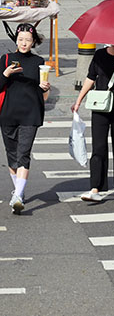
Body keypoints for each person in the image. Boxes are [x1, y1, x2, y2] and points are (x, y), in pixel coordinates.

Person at [1, 24, 50, 214]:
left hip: (31, 113)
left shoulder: (38, 61)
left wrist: (45, 87)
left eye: (28, 40)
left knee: (23, 153)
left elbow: (41, 90)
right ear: (16, 40)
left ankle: (18, 196)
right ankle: (18, 192)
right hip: (8, 113)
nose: (24, 43)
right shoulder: (6, 59)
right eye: (21, 39)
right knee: (12, 155)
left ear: (33, 42)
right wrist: (6, 73)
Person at [72, 42, 114, 202]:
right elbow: (90, 78)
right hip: (100, 105)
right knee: (98, 147)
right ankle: (95, 187)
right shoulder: (100, 55)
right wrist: (78, 101)